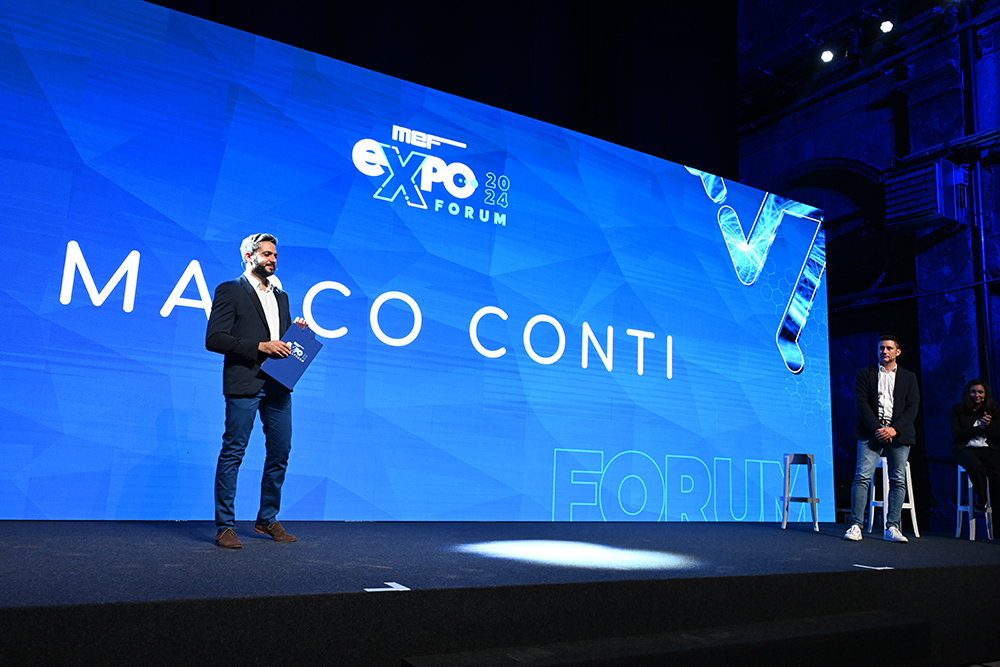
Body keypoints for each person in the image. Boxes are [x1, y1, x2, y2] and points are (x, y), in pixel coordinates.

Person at [206, 233, 307, 549]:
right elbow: (215, 339)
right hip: (245, 381)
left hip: (278, 384)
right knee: (234, 451)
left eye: (275, 255)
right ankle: (225, 526)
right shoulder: (230, 290)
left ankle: (267, 519)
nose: (273, 259)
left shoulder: (281, 296)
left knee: (280, 451)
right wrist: (260, 347)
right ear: (249, 257)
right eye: (266, 254)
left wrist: (296, 334)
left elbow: (281, 340)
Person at [844, 335, 920, 543]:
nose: (884, 352)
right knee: (862, 477)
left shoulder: (908, 377)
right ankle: (856, 525)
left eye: (888, 348)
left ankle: (892, 527)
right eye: (881, 348)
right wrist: (878, 428)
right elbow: (861, 404)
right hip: (871, 431)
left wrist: (894, 429)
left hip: (899, 433)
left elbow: (912, 407)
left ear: (898, 352)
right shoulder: (865, 374)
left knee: (898, 479)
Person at [951, 379, 1000, 514]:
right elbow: (957, 434)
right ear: (968, 393)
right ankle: (981, 499)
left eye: (980, 392)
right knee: (975, 466)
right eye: (973, 392)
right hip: (965, 448)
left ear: (985, 394)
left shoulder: (992, 411)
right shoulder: (959, 410)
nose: (977, 395)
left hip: (987, 449)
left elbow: (996, 438)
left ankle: (996, 516)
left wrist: (988, 427)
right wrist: (979, 428)